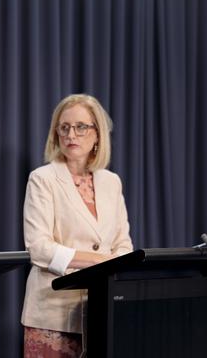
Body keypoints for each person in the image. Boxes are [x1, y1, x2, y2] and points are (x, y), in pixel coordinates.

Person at [21, 94, 133, 357]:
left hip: (102, 308)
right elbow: (39, 248)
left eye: (81, 127)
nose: (72, 134)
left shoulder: (111, 181)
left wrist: (111, 262)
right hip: (52, 312)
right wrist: (102, 261)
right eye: (64, 127)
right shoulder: (42, 179)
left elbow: (124, 245)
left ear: (97, 134)